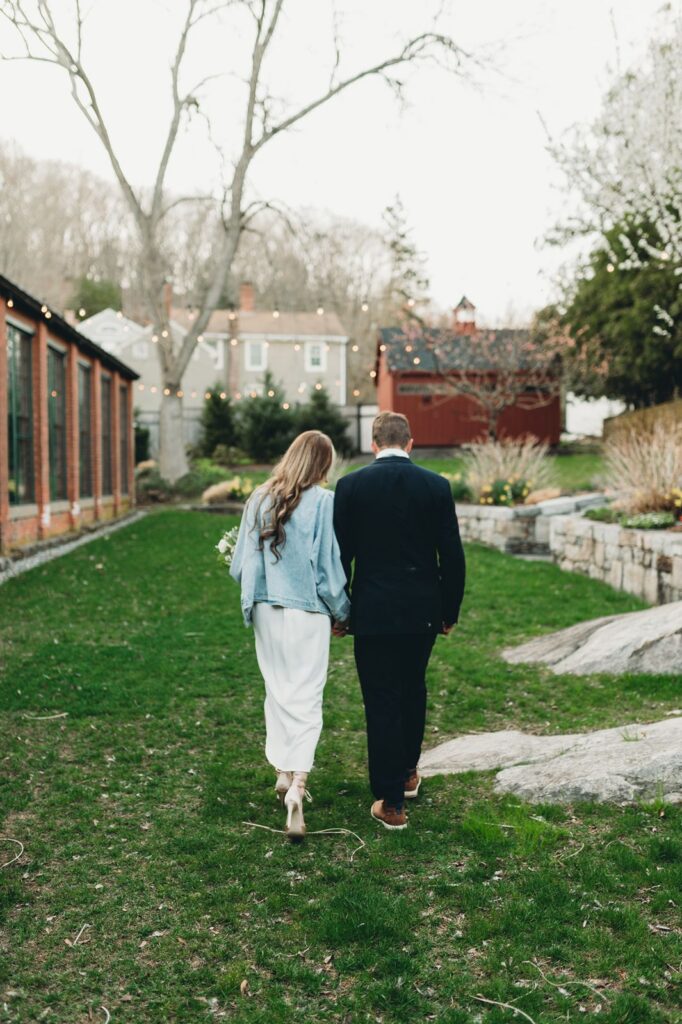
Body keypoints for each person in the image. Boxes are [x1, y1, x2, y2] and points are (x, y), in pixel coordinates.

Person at [333, 411, 466, 830]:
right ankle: (407, 772)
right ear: (410, 443)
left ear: (374, 444)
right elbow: (453, 556)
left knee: (381, 700)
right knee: (413, 689)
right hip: (422, 612)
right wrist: (449, 611)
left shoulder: (351, 486)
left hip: (371, 612)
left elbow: (339, 558)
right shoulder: (436, 486)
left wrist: (340, 611)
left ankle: (392, 801)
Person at [230, 430, 350, 839]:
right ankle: (298, 783)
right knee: (306, 693)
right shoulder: (323, 503)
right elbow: (328, 569)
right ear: (323, 464)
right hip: (307, 611)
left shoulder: (259, 498)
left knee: (278, 689)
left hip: (266, 607)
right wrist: (343, 611)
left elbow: (240, 563)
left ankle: (282, 770)